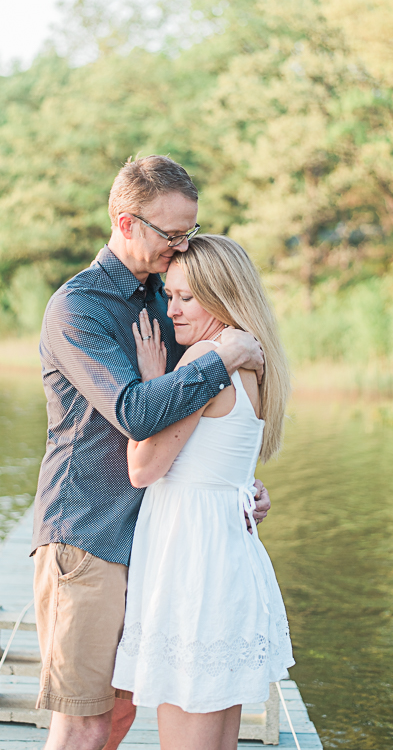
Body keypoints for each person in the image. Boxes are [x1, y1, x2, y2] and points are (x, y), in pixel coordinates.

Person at [31, 156, 271, 750]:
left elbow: (199, 427)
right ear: (127, 222)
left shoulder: (166, 299)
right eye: (171, 233)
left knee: (120, 717)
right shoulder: (79, 308)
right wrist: (224, 357)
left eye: (189, 230)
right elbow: (137, 412)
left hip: (158, 542)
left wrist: (236, 485)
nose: (180, 244)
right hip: (88, 538)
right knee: (84, 721)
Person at [112, 234, 295, 750]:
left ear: (222, 296)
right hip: (226, 558)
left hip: (190, 566)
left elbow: (143, 468)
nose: (171, 311)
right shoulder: (253, 363)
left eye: (185, 298)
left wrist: (153, 385)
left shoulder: (207, 360)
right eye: (168, 296)